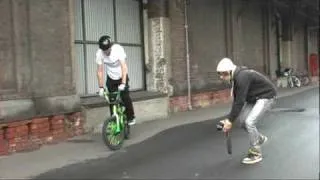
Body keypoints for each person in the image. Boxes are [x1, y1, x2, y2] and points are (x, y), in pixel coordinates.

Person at [217, 58, 277, 164]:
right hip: (254, 98)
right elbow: (237, 102)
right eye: (220, 74)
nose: (222, 77)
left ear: (230, 71)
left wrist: (230, 121)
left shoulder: (242, 77)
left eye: (224, 74)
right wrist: (228, 120)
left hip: (266, 96)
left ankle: (256, 153)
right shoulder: (236, 78)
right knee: (242, 122)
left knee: (249, 122)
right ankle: (258, 138)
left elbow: (240, 101)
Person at [96, 35, 136, 126]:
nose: (105, 52)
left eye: (107, 50)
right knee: (112, 100)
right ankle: (114, 119)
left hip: (122, 76)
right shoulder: (99, 53)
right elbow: (100, 71)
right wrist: (101, 87)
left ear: (110, 46)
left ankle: (131, 117)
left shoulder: (118, 49)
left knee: (125, 97)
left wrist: (123, 83)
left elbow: (124, 66)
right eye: (104, 50)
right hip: (111, 78)